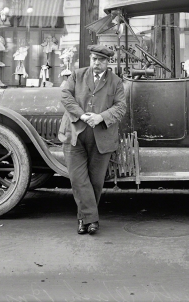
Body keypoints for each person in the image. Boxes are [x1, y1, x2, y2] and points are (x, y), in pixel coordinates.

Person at [59, 45, 126, 235]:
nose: (97, 63)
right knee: (78, 180)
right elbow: (65, 96)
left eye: (101, 60)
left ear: (108, 62)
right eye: (94, 59)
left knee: (95, 182)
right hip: (75, 135)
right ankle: (92, 220)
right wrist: (81, 115)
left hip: (102, 137)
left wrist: (101, 117)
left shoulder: (116, 82)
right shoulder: (76, 75)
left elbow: (121, 107)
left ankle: (83, 220)